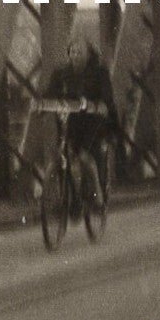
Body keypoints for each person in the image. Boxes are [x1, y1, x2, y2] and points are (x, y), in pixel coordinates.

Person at [44, 29, 121, 196]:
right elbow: (50, 93)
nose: (75, 55)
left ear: (88, 54)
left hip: (92, 122)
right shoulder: (61, 74)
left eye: (79, 52)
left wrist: (100, 105)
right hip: (70, 121)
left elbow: (107, 96)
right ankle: (59, 196)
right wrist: (40, 105)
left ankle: (98, 192)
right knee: (62, 153)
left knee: (85, 156)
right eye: (72, 51)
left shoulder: (100, 73)